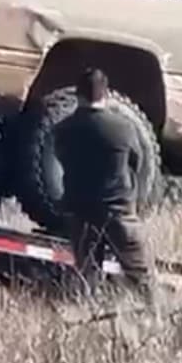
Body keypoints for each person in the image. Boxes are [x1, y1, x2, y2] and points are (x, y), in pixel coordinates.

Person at [53, 67, 155, 304]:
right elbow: (137, 163)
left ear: (78, 95)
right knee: (141, 278)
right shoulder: (124, 127)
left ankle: (87, 316)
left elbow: (61, 159)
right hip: (119, 212)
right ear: (105, 94)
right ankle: (153, 318)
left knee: (87, 277)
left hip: (82, 214)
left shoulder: (63, 130)